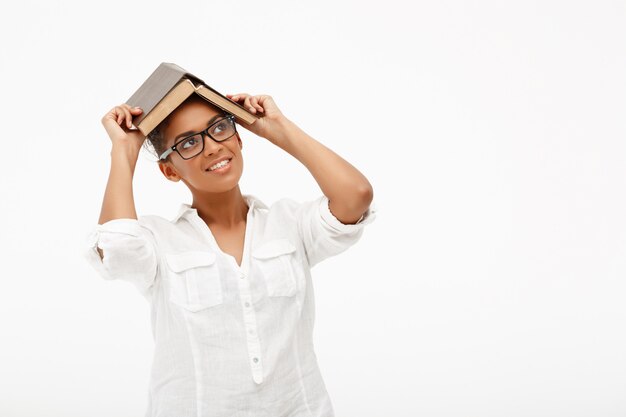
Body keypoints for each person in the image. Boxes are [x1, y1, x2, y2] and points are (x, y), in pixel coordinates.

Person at [82, 90, 377, 417]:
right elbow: (117, 247)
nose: (212, 146)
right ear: (170, 170)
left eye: (219, 127)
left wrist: (278, 128)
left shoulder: (289, 223)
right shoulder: (159, 240)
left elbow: (356, 196)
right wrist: (123, 151)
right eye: (189, 143)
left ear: (238, 137)